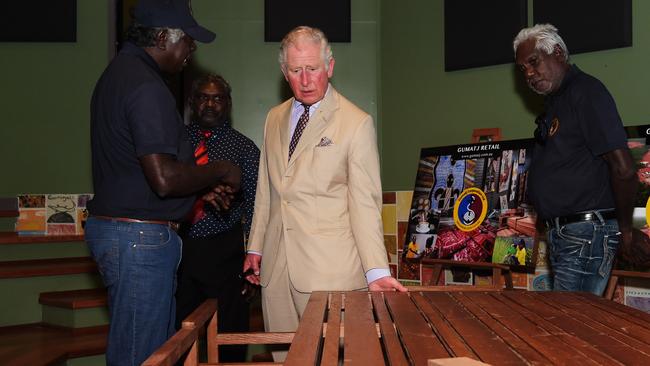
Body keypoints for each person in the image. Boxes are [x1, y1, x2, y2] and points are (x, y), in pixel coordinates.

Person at [85, 1, 241, 365]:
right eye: (187, 40)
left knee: (141, 347)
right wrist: (218, 169)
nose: (191, 50)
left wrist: (200, 186)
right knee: (146, 356)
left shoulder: (117, 75)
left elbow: (139, 168)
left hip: (123, 234)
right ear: (161, 38)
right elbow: (164, 178)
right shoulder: (146, 87)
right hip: (140, 240)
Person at [243, 26, 406, 336]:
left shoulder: (356, 123)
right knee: (284, 358)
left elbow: (364, 204)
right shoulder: (273, 118)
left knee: (333, 357)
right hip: (276, 272)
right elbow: (267, 190)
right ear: (284, 71)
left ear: (329, 67)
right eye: (296, 70)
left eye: (313, 69)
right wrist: (256, 248)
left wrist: (376, 272)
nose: (305, 80)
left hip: (330, 274)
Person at [513, 23, 640, 295]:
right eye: (523, 69)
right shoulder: (558, 101)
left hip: (586, 234)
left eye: (533, 62)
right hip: (566, 235)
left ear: (557, 53)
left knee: (569, 329)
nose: (530, 74)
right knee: (572, 327)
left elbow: (624, 169)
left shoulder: (587, 92)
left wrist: (626, 230)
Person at [175, 74, 260, 362]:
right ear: (192, 102)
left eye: (217, 98)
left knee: (229, 340)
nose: (210, 104)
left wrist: (253, 262)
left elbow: (256, 208)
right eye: (203, 97)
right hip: (178, 250)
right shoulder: (173, 144)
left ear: (228, 104)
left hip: (225, 252)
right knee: (177, 336)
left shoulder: (244, 149)